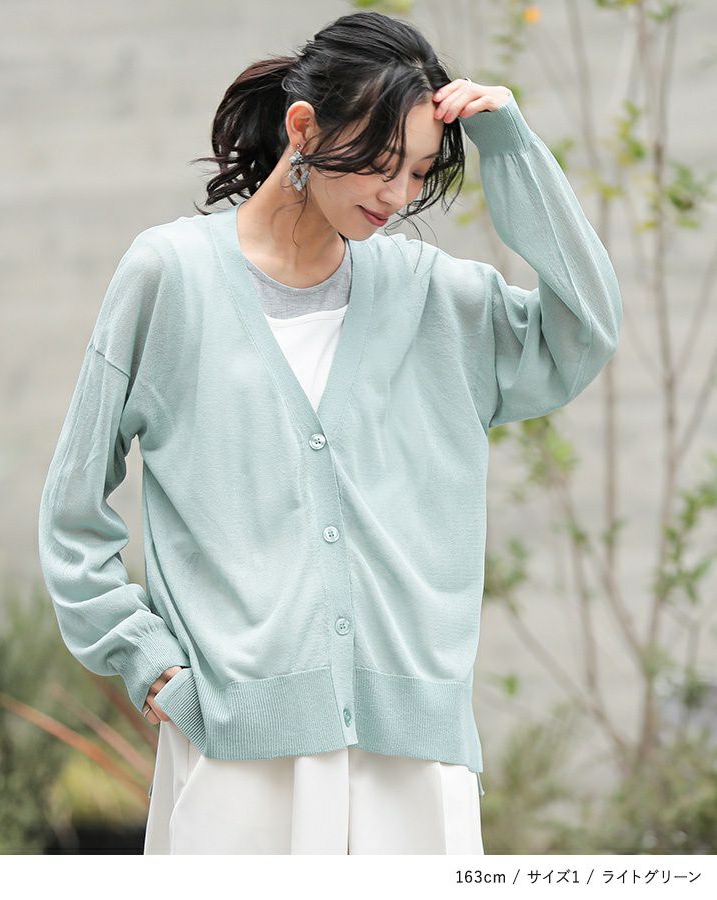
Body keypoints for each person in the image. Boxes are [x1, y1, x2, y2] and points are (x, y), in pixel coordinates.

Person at [37, 11, 622, 854]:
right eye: (382, 164)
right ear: (304, 128)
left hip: (413, 756)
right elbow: (72, 509)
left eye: (419, 170)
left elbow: (584, 332)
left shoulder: (434, 298)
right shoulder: (171, 278)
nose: (400, 195)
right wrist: (148, 661)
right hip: (237, 744)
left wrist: (511, 150)